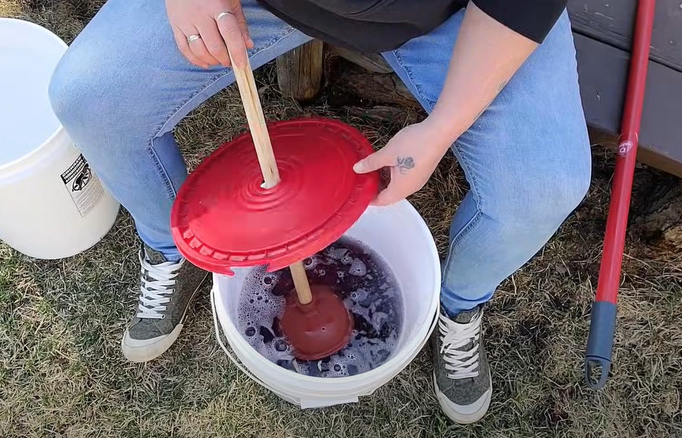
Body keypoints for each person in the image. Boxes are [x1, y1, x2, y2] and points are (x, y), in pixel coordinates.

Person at [48, 0, 591, 424]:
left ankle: (458, 306)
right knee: (91, 97)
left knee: (541, 186)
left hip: (456, 15)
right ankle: (177, 249)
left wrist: (441, 128)